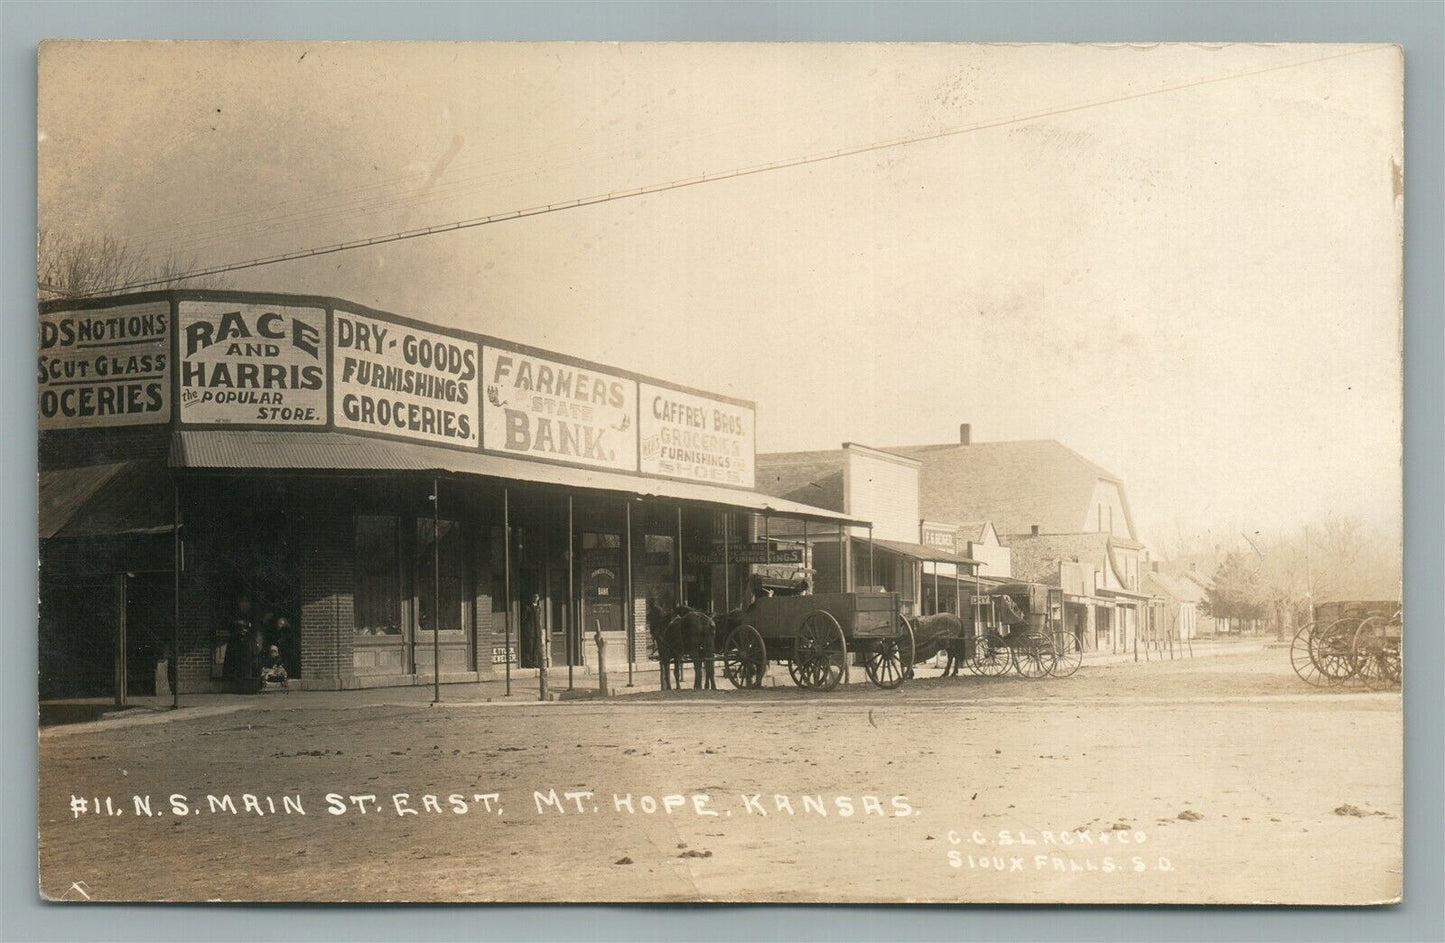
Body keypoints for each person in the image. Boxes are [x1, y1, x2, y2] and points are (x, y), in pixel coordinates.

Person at [221, 592, 254, 689]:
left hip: (247, 642)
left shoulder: (251, 614)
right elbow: (228, 625)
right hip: (236, 642)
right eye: (242, 602)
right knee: (234, 662)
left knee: (246, 662)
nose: (244, 604)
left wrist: (248, 628)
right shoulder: (234, 614)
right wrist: (238, 627)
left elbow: (255, 626)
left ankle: (245, 682)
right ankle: (232, 683)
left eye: (246, 602)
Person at [520, 594, 540, 668]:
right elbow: (523, 619)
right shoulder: (527, 607)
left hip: (536, 631)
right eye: (534, 597)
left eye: (537, 597)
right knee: (529, 648)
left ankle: (535, 662)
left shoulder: (538, 607)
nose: (535, 599)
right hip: (530, 631)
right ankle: (528, 663)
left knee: (535, 648)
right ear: (532, 598)